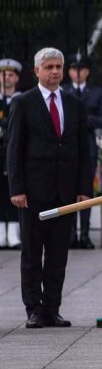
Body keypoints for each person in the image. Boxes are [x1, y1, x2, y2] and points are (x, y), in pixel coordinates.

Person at [6, 47, 92, 328]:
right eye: (49, 67)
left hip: (64, 192)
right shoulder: (23, 103)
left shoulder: (75, 104)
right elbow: (14, 148)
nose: (55, 71)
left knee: (58, 253)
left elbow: (83, 150)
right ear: (37, 71)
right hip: (32, 193)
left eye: (58, 66)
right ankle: (34, 308)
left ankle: (52, 307)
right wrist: (16, 188)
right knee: (32, 253)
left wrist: (83, 188)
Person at [62, 53, 102, 249]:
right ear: (70, 71)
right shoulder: (63, 91)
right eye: (74, 69)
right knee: (68, 190)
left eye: (81, 69)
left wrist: (86, 121)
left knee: (86, 190)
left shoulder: (96, 92)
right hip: (67, 147)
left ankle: (85, 233)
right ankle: (71, 234)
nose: (78, 73)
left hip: (88, 146)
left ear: (87, 71)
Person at [0, 58, 23, 250]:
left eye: (10, 75)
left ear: (16, 78)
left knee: (13, 191)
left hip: (13, 152)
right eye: (3, 75)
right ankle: (1, 232)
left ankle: (14, 233)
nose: (6, 78)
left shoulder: (20, 99)